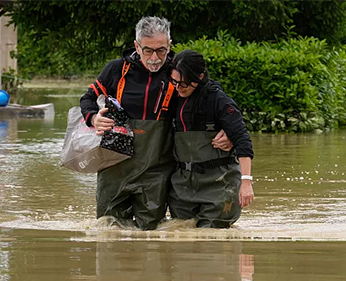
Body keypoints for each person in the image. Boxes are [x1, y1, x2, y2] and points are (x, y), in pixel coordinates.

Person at [80, 17, 231, 230]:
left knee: (149, 235)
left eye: (161, 50)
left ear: (170, 45)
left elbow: (214, 98)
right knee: (107, 230)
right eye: (147, 50)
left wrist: (228, 130)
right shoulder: (116, 70)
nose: (154, 58)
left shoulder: (179, 72)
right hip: (113, 167)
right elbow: (87, 99)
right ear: (136, 46)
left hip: (157, 170)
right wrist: (94, 117)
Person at [168, 49, 255, 228]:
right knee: (181, 235)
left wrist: (246, 182)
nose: (178, 88)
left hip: (219, 185)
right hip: (182, 187)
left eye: (183, 84)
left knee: (213, 241)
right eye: (174, 82)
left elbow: (242, 140)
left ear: (199, 77)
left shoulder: (219, 101)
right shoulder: (172, 98)